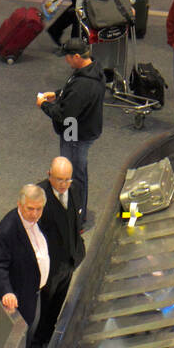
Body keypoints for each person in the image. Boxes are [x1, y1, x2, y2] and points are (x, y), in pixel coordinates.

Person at [36, 37, 106, 225]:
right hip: (79, 128)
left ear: (76, 56)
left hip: (76, 132)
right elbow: (73, 92)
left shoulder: (83, 84)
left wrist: (43, 105)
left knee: (73, 176)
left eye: (67, 57)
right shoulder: (91, 70)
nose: (66, 60)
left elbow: (64, 114)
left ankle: (76, 218)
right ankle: (73, 212)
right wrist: (59, 94)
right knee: (74, 173)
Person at [0, 186, 50, 348]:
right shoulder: (8, 229)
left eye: (39, 209)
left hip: (31, 292)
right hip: (13, 301)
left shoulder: (37, 220)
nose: (34, 214)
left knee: (23, 337)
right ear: (20, 205)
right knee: (6, 347)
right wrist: (7, 292)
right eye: (30, 209)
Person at [32, 157, 86, 348]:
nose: (64, 184)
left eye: (67, 180)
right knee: (44, 305)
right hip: (49, 265)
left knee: (58, 302)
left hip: (69, 260)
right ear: (49, 176)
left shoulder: (75, 189)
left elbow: (75, 220)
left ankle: (48, 337)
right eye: (59, 179)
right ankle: (36, 343)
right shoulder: (39, 198)